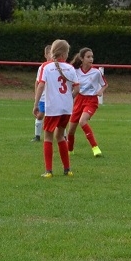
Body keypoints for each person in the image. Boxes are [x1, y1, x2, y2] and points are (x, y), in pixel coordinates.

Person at [33, 39, 77, 178]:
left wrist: (36, 104)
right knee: (60, 135)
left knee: (48, 137)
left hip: (53, 107)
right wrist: (69, 97)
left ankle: (49, 171)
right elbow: (77, 87)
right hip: (66, 108)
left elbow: (40, 85)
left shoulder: (46, 67)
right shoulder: (70, 68)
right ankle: (67, 169)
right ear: (64, 53)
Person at [67, 47, 107, 157]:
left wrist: (100, 91)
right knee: (71, 131)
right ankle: (70, 151)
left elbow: (105, 84)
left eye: (92, 57)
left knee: (82, 121)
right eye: (88, 57)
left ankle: (95, 148)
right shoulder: (75, 71)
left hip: (91, 100)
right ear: (81, 58)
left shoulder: (96, 72)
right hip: (79, 100)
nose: (91, 59)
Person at [32, 44, 52, 142]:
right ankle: (37, 136)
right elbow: (38, 82)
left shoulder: (58, 67)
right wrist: (37, 96)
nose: (52, 56)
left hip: (54, 97)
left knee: (57, 116)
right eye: (50, 53)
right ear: (46, 55)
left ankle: (64, 136)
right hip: (43, 97)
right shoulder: (42, 67)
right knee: (40, 115)